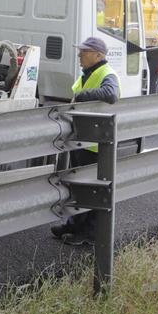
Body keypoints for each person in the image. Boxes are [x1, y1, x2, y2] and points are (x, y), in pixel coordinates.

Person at [50, 36, 119, 245]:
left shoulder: (107, 74)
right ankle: (74, 225)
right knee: (79, 187)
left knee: (92, 190)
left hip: (97, 145)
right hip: (83, 140)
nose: (79, 54)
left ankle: (89, 234)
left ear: (98, 55)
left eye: (84, 52)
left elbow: (111, 94)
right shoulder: (88, 74)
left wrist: (82, 96)